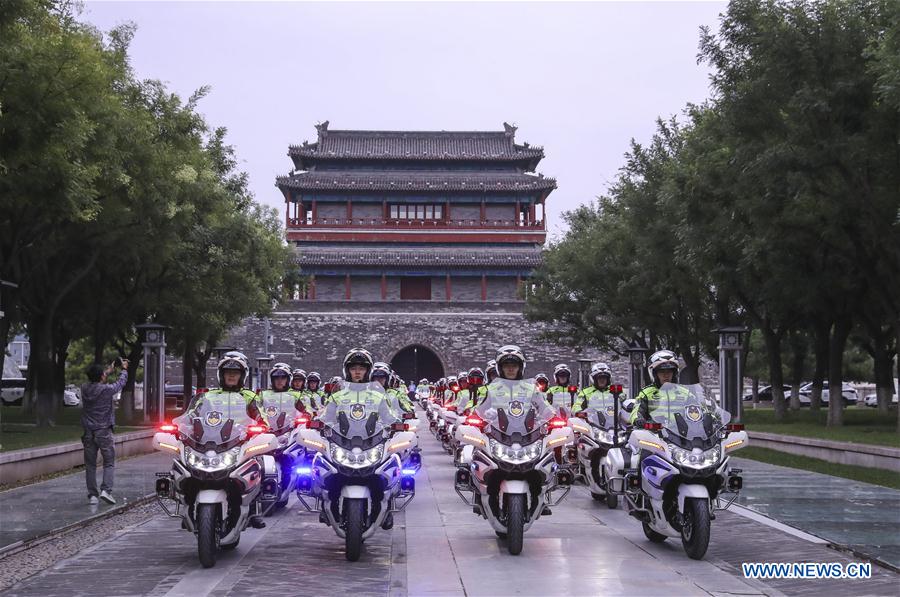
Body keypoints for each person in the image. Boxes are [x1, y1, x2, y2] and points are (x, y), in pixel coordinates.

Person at [80, 358, 129, 505]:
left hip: (88, 432)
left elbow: (97, 381)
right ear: (101, 376)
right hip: (104, 432)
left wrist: (107, 371)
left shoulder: (84, 388)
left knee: (90, 465)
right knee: (109, 462)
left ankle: (93, 496)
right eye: (103, 374)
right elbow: (120, 384)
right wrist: (124, 369)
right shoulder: (106, 390)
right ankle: (106, 491)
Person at [630, 349, 689, 426]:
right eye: (662, 371)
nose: (666, 375)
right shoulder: (646, 393)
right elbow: (637, 410)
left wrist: (707, 417)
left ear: (674, 373)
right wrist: (638, 419)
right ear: (654, 374)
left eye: (669, 371)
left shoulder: (685, 393)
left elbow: (699, 410)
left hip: (681, 434)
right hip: (654, 433)